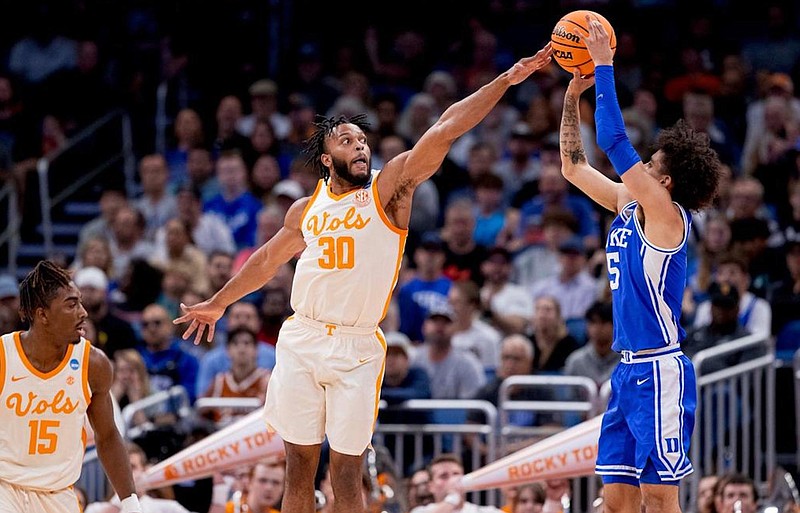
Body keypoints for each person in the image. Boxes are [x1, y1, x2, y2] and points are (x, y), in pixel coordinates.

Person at [176, 43, 553, 513]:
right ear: (327, 159)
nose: (360, 146)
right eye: (347, 141)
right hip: (302, 336)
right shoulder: (305, 207)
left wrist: (506, 80)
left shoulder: (388, 187)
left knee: (347, 476)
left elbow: (445, 128)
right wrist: (218, 302)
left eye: (362, 140)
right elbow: (267, 260)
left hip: (356, 346)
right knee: (298, 467)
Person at [559, 18, 721, 513]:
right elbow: (573, 166)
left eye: (650, 166)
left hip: (660, 369)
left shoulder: (668, 219)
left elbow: (612, 141)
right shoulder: (628, 205)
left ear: (666, 183)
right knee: (618, 499)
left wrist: (605, 67)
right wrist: (571, 99)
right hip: (625, 371)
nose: (641, 169)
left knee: (659, 498)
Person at [1, 260, 142, 512]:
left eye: (80, 302)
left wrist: (131, 503)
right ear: (42, 314)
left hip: (59, 494)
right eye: (71, 304)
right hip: (5, 488)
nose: (83, 312)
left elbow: (108, 436)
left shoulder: (93, 364)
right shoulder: (3, 357)